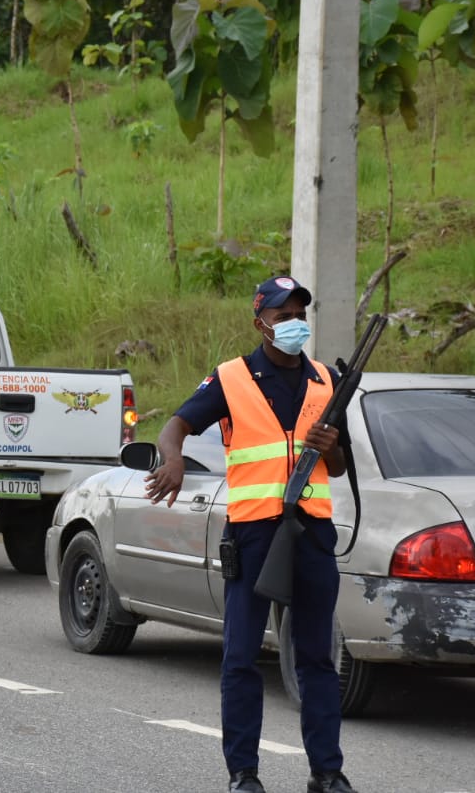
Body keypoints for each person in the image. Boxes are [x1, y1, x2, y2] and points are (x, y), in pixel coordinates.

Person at [144, 275, 356, 793]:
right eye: (283, 317)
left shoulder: (326, 380)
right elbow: (176, 426)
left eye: (300, 316)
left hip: (313, 534)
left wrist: (329, 446)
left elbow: (339, 466)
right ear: (261, 322)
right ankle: (243, 774)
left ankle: (327, 772)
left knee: (317, 659)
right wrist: (173, 459)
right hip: (254, 534)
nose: (294, 324)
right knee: (241, 657)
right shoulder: (232, 377)